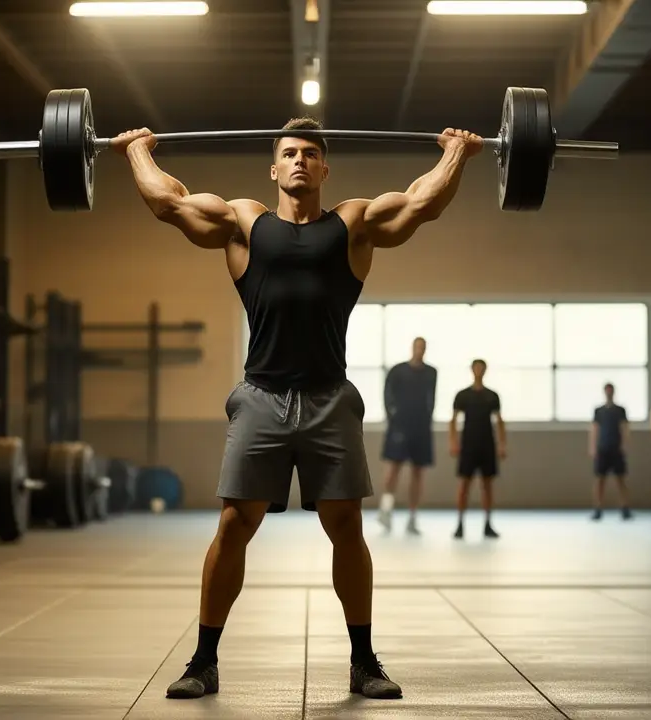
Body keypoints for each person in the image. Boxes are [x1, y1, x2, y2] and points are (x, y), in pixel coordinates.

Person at [110, 119, 483, 701]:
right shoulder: (245, 223)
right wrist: (137, 150)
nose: (301, 161)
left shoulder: (353, 223)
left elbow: (419, 204)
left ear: (325, 167)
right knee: (235, 526)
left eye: (311, 153)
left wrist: (456, 152)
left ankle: (364, 663)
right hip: (260, 397)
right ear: (275, 168)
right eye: (290, 153)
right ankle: (203, 661)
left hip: (329, 400)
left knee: (347, 529)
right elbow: (169, 204)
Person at [378, 337, 437, 535]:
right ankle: (386, 510)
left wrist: (427, 420)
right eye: (417, 347)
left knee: (418, 472)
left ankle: (412, 517)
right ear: (412, 348)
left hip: (421, 428)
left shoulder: (431, 372)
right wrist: (393, 418)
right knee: (393, 468)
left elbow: (432, 399)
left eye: (423, 347)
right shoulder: (397, 371)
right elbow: (387, 396)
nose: (420, 350)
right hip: (400, 426)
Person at [449, 359, 505, 540]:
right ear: (472, 370)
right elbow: (453, 420)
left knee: (487, 485)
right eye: (476, 368)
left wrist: (502, 444)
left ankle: (488, 523)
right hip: (468, 445)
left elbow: (499, 421)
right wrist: (453, 442)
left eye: (482, 368)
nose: (479, 371)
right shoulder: (463, 395)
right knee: (464, 485)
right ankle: (460, 523)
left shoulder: (492, 396)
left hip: (487, 444)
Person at [590, 382, 632, 521]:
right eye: (607, 390)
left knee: (620, 479)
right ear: (604, 392)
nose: (609, 393)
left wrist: (625, 444)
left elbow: (624, 428)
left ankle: (625, 507)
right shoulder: (599, 411)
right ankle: (598, 508)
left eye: (610, 390)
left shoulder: (620, 410)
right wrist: (593, 446)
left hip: (616, 448)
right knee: (600, 480)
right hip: (603, 448)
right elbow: (595, 429)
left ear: (613, 392)